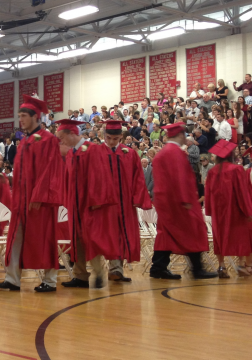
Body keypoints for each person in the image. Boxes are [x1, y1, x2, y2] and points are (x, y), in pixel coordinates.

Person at [0, 96, 64, 293]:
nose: (21, 120)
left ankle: (50, 280)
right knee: (15, 238)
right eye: (19, 116)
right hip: (21, 200)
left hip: (40, 200)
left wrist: (39, 196)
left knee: (45, 238)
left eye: (24, 116)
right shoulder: (25, 141)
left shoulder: (48, 140)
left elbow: (50, 171)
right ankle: (12, 279)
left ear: (36, 116)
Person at [54, 120, 119, 289]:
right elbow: (67, 180)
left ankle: (98, 272)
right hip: (75, 205)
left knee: (91, 239)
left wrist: (96, 202)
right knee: (76, 240)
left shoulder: (92, 150)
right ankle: (80, 275)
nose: (62, 141)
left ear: (72, 134)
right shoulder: (71, 154)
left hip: (91, 205)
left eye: (62, 137)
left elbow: (101, 176)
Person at [149, 123, 217, 280]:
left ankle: (158, 268)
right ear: (179, 135)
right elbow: (180, 178)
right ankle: (197, 269)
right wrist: (186, 200)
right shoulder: (175, 153)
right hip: (177, 202)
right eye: (184, 135)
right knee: (192, 231)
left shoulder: (162, 153)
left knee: (166, 234)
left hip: (164, 201)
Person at [103, 120, 152, 283]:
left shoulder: (129, 153)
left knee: (121, 235)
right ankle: (95, 269)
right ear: (104, 136)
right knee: (106, 235)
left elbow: (138, 178)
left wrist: (137, 198)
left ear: (121, 138)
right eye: (109, 138)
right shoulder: (97, 153)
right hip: (104, 204)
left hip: (125, 203)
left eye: (115, 139)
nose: (111, 142)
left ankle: (116, 269)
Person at [204, 140, 252, 278]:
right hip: (235, 211)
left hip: (218, 213)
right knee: (240, 236)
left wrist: (209, 210)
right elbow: (242, 192)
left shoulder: (213, 171)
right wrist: (248, 210)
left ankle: (221, 266)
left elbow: (208, 192)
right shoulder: (236, 169)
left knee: (219, 237)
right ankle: (240, 265)